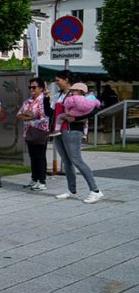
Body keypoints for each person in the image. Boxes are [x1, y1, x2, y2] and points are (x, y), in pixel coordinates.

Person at [50, 72, 103, 203]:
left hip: (72, 130)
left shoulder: (81, 93)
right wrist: (46, 99)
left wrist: (76, 118)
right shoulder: (59, 95)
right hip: (59, 130)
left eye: (58, 80)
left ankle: (95, 190)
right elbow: (51, 112)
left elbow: (95, 109)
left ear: (66, 80)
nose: (56, 83)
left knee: (76, 160)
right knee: (67, 161)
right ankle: (71, 189)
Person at [18, 77, 50, 190]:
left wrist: (31, 118)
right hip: (29, 132)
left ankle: (42, 181)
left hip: (41, 132)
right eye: (30, 87)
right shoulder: (27, 101)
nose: (32, 89)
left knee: (40, 156)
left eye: (34, 87)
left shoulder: (44, 100)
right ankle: (34, 178)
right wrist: (25, 116)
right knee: (33, 156)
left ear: (41, 88)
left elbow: (46, 116)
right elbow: (19, 114)